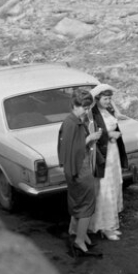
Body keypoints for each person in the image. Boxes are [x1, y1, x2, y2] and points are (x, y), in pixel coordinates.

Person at [57, 88, 103, 255]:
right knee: (86, 206)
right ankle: (79, 240)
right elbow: (73, 149)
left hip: (76, 169)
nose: (87, 111)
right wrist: (91, 138)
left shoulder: (72, 121)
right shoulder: (72, 124)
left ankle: (80, 235)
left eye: (88, 107)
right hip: (79, 170)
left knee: (79, 204)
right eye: (84, 107)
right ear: (74, 105)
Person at [88, 83, 129, 241]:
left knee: (114, 183)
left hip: (113, 153)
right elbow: (94, 134)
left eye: (109, 98)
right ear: (97, 99)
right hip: (103, 154)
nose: (108, 101)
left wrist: (117, 113)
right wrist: (109, 134)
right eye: (105, 98)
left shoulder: (109, 109)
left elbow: (113, 115)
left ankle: (112, 219)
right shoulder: (93, 114)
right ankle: (105, 225)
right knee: (105, 187)